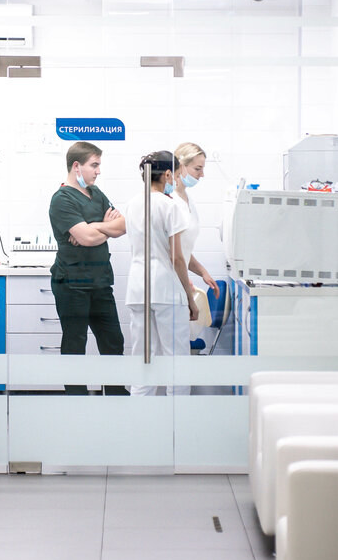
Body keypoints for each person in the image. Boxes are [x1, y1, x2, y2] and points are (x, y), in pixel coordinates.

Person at [48, 141, 127, 395]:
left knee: (113, 341)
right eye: (94, 165)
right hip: (72, 283)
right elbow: (88, 239)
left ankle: (115, 395)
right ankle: (76, 399)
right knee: (75, 343)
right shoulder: (61, 199)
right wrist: (101, 228)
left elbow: (122, 226)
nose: (98, 171)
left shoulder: (96, 193)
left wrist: (92, 226)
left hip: (100, 282)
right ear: (76, 166)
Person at [125, 151, 199, 396]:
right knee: (176, 362)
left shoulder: (133, 204)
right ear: (167, 174)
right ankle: (177, 418)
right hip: (166, 290)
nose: (175, 181)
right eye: (176, 176)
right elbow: (177, 257)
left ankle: (140, 417)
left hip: (138, 290)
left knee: (144, 361)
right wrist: (190, 298)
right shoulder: (170, 205)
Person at [173, 141, 220, 304]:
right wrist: (185, 283)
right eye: (198, 169)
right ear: (181, 166)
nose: (202, 175)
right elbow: (172, 253)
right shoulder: (170, 200)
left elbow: (183, 249)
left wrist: (203, 272)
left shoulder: (187, 199)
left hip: (177, 281)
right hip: (168, 282)